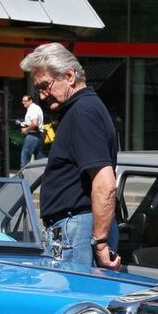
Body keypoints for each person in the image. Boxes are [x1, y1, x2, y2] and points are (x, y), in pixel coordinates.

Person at [19, 43, 121, 271]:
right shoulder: (81, 109)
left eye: (45, 86)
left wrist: (101, 243)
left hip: (79, 231)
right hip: (74, 230)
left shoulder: (83, 111)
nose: (42, 95)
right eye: (38, 89)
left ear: (69, 75)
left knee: (76, 303)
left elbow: (105, 184)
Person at [19, 94, 44, 169]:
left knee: (24, 162)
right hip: (38, 136)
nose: (23, 103)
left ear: (30, 101)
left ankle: (22, 180)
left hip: (32, 136)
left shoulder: (32, 109)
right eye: (22, 101)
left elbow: (35, 124)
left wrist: (25, 129)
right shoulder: (36, 108)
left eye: (25, 101)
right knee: (39, 163)